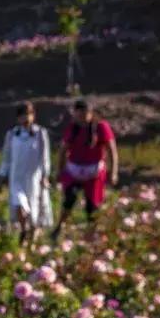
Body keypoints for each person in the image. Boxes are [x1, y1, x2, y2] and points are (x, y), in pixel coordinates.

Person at [51, 99, 119, 241]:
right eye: (79, 113)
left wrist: (113, 172)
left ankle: (91, 235)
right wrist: (59, 170)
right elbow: (63, 151)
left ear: (91, 113)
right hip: (74, 171)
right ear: (75, 114)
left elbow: (111, 150)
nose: (82, 117)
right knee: (69, 199)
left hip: (93, 172)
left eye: (85, 113)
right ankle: (59, 227)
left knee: (92, 206)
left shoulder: (101, 127)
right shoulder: (72, 128)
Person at [0, 101, 52, 245]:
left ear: (33, 116)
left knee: (34, 208)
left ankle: (32, 239)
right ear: (18, 118)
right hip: (17, 177)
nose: (26, 118)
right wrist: (2, 174)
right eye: (23, 115)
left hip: (34, 178)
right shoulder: (12, 135)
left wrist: (45, 175)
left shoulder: (40, 134)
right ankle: (23, 230)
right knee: (19, 204)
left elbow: (45, 157)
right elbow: (6, 156)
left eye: (29, 114)